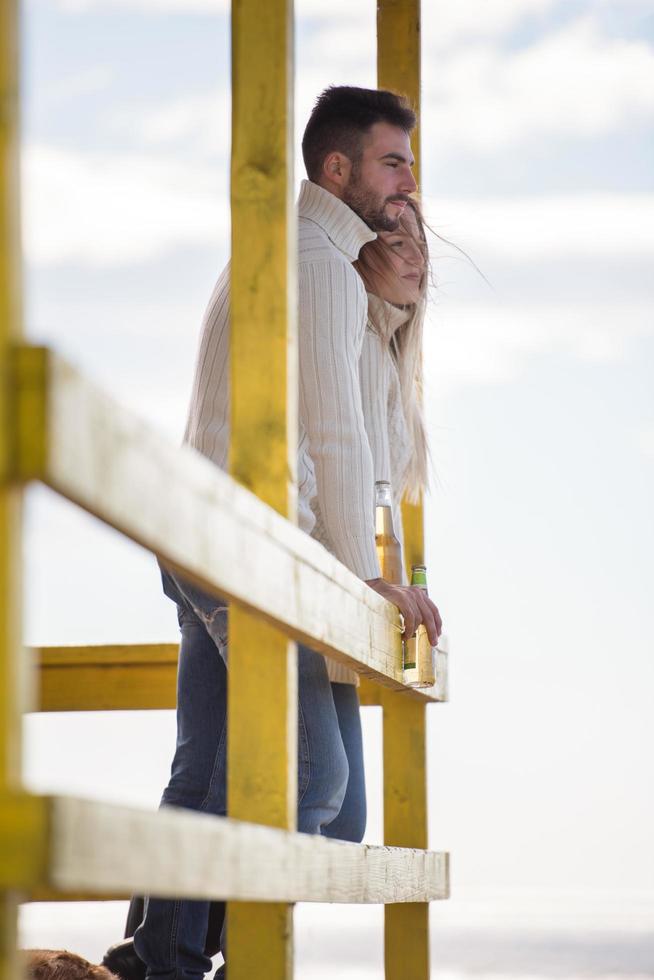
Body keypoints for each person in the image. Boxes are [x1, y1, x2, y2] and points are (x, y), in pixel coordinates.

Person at [102, 86, 442, 980]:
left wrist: (396, 315)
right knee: (310, 784)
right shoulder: (317, 259)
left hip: (229, 538)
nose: (409, 183)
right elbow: (333, 437)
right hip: (247, 547)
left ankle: (154, 958)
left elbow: (369, 448)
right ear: (337, 168)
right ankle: (172, 962)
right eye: (392, 161)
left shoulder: (326, 264)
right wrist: (354, 585)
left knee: (224, 775)